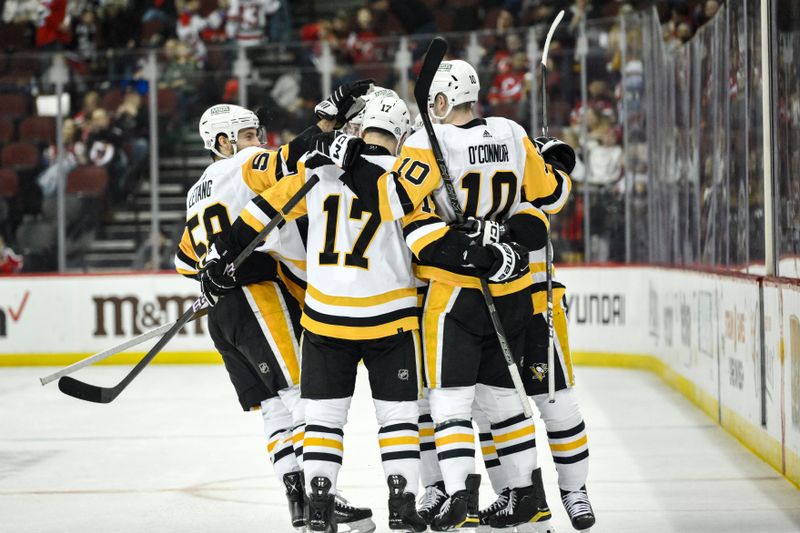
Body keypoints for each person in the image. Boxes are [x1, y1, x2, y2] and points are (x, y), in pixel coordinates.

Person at [203, 95, 515, 532]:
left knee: (323, 420)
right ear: (402, 133)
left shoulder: (316, 169)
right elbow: (426, 239)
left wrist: (222, 255)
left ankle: (317, 505)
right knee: (398, 419)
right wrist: (482, 252)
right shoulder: (405, 177)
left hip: (325, 317)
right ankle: (403, 505)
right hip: (391, 316)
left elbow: (261, 212)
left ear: (357, 127)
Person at [316, 59, 570, 531]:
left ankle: (457, 498)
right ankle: (526, 498)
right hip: (499, 287)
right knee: (500, 403)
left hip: (439, 296)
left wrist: (343, 153)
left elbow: (392, 203)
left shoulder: (415, 148)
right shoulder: (509, 132)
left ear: (437, 102)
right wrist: (553, 167)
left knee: (441, 406)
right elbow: (549, 199)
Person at [175, 80, 375, 533]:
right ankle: (323, 495)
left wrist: (209, 277)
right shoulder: (243, 165)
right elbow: (292, 158)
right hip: (258, 296)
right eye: (248, 134)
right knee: (299, 394)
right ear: (223, 142)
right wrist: (326, 121)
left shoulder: (196, 192)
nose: (257, 142)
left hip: (222, 314)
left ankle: (300, 505)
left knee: (274, 408)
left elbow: (185, 261)